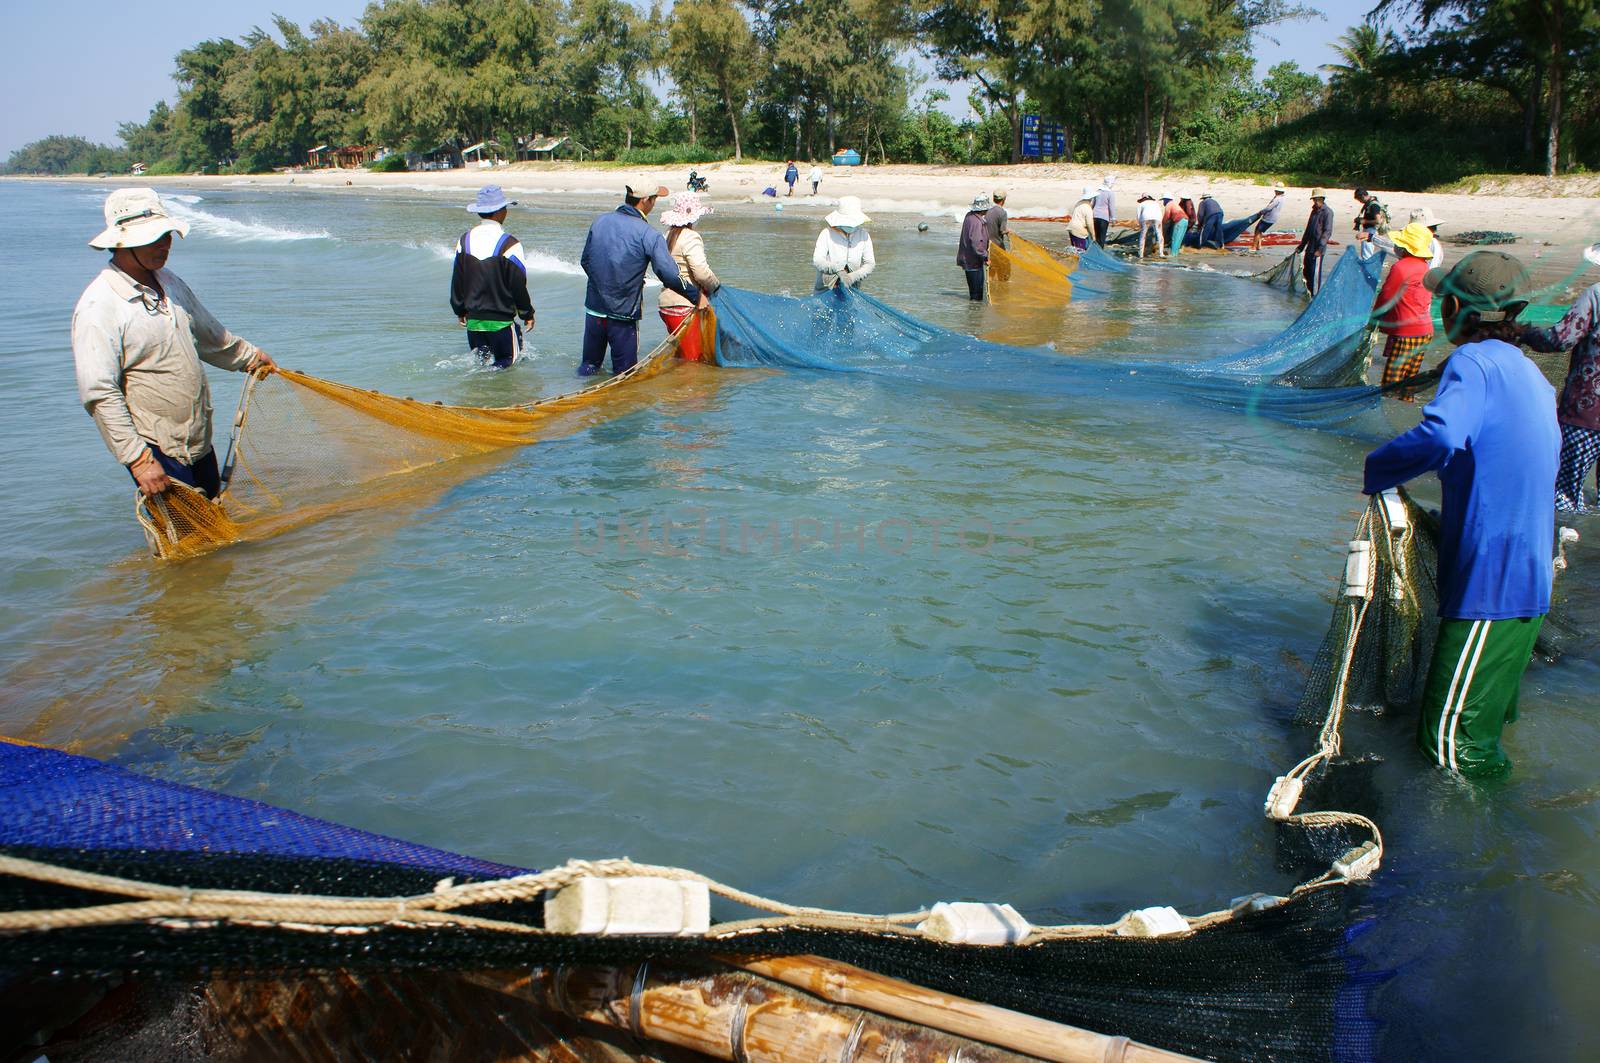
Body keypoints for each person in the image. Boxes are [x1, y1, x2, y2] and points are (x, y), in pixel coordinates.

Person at [1363, 251, 1557, 779]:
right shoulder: (1529, 373)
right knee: (1483, 731)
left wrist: (1377, 468)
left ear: (1455, 307)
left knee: (1451, 753)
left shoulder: (1472, 362)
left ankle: (1462, 859)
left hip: (1491, 589)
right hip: (1528, 585)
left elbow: (1443, 435)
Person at [72, 188, 277, 500]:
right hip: (157, 450)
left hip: (197, 442)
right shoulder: (99, 305)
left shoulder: (169, 282)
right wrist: (139, 461)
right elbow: (100, 394)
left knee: (213, 536)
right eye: (154, 238)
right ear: (122, 241)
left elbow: (211, 337)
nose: (165, 244)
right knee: (182, 542)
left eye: (166, 235)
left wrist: (250, 357)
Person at [579, 178, 705, 376]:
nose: (654, 204)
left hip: (594, 309)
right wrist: (695, 296)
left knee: (588, 367)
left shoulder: (600, 221)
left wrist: (606, 283)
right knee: (625, 375)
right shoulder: (648, 234)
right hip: (623, 313)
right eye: (654, 199)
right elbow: (668, 274)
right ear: (645, 200)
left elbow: (586, 261)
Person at [1522, 244, 1600, 512]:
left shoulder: (1596, 295)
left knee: (1563, 496)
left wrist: (1524, 333)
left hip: (1586, 415)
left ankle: (1560, 549)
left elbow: (1560, 339)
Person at [450, 186, 535, 369]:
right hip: (501, 322)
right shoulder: (510, 244)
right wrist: (527, 313)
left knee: (481, 367)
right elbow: (518, 284)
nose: (506, 211)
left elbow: (457, 279)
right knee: (507, 367)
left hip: (474, 322)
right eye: (505, 207)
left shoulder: (464, 240)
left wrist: (460, 310)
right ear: (499, 212)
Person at [1371, 222, 1437, 396]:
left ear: (1406, 247)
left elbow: (1386, 297)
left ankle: (1388, 419)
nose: (1396, 246)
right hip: (1425, 333)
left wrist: (1373, 321)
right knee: (1407, 386)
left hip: (1407, 333)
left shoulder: (1401, 267)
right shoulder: (1424, 267)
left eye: (1399, 244)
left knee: (1390, 389)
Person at [657, 192, 720, 363]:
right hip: (684, 306)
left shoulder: (667, 235)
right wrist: (716, 286)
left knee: (680, 357)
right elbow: (700, 271)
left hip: (666, 305)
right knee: (692, 363)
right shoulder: (691, 237)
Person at [812, 196, 876, 290]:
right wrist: (837, 270)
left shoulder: (863, 235)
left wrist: (853, 276)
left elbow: (870, 264)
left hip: (852, 287)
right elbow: (817, 260)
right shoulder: (826, 233)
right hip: (826, 287)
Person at [1296, 190, 1335, 295]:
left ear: (1322, 199)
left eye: (1317, 199)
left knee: (1315, 274)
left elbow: (1327, 232)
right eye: (1314, 199)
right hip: (1310, 247)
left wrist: (1320, 249)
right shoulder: (1314, 211)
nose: (1315, 202)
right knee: (1306, 271)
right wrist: (1301, 246)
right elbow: (1308, 230)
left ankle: (1314, 295)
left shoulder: (1327, 212)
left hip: (1318, 248)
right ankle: (1308, 292)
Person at [957, 194, 991, 301]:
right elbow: (976, 243)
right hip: (973, 263)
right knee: (977, 297)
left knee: (973, 295)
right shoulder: (977, 222)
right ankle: (976, 316)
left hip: (968, 260)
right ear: (983, 209)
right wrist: (985, 257)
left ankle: (973, 315)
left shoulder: (969, 216)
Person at [1252, 183, 1287, 252]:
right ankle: (1259, 246)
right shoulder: (1282, 197)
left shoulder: (1277, 199)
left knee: (1257, 231)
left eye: (1276, 190)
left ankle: (1254, 247)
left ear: (1278, 191)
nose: (1275, 191)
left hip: (1268, 218)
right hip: (1273, 219)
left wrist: (1261, 212)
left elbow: (1269, 208)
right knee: (1260, 231)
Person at [1135, 193, 1164, 258]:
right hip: (1157, 217)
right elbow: (1160, 212)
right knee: (1159, 235)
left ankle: (1141, 254)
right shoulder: (1156, 203)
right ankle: (1161, 253)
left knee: (1143, 236)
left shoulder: (1141, 204)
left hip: (1146, 218)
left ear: (1142, 199)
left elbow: (1138, 216)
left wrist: (1140, 225)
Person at [1067, 185, 1096, 251]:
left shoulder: (1079, 203)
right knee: (1081, 251)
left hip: (1071, 228)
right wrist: (1093, 236)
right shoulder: (1088, 208)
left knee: (1075, 249)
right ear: (1091, 198)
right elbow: (1090, 224)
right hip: (1079, 230)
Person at [1091, 175, 1116, 247]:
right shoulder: (1110, 193)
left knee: (1096, 236)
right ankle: (1099, 253)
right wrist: (1113, 219)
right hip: (1104, 218)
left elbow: (1092, 204)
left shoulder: (1098, 191)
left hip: (1094, 216)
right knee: (1102, 238)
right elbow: (1111, 207)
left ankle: (1094, 252)